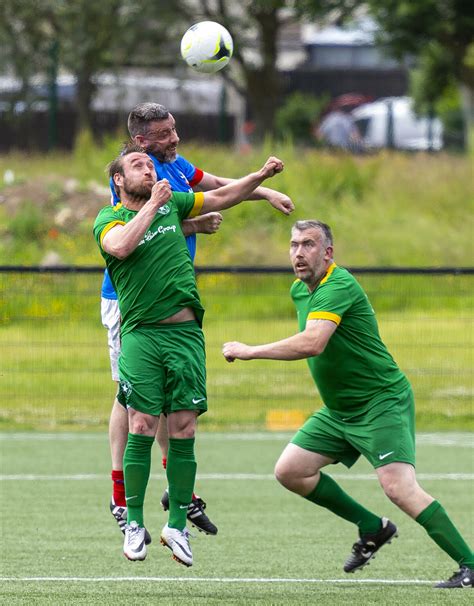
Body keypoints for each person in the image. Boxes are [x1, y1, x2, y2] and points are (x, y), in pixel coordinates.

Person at [222, 220, 473, 589]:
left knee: (399, 489)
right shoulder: (299, 289)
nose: (298, 253)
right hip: (340, 410)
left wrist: (250, 351)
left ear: (328, 253)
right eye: (293, 245)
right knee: (291, 471)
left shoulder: (337, 284)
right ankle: (373, 527)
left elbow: (312, 343)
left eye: (308, 245)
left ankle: (469, 563)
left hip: (379, 402)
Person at [104, 102, 294, 541]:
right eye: (165, 134)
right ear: (140, 142)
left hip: (174, 302)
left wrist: (262, 191)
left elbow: (214, 186)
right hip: (130, 302)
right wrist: (196, 226)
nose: (174, 139)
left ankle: (178, 494)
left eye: (174, 129)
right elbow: (143, 231)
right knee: (130, 397)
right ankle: (121, 498)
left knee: (172, 400)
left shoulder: (173, 164)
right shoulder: (134, 179)